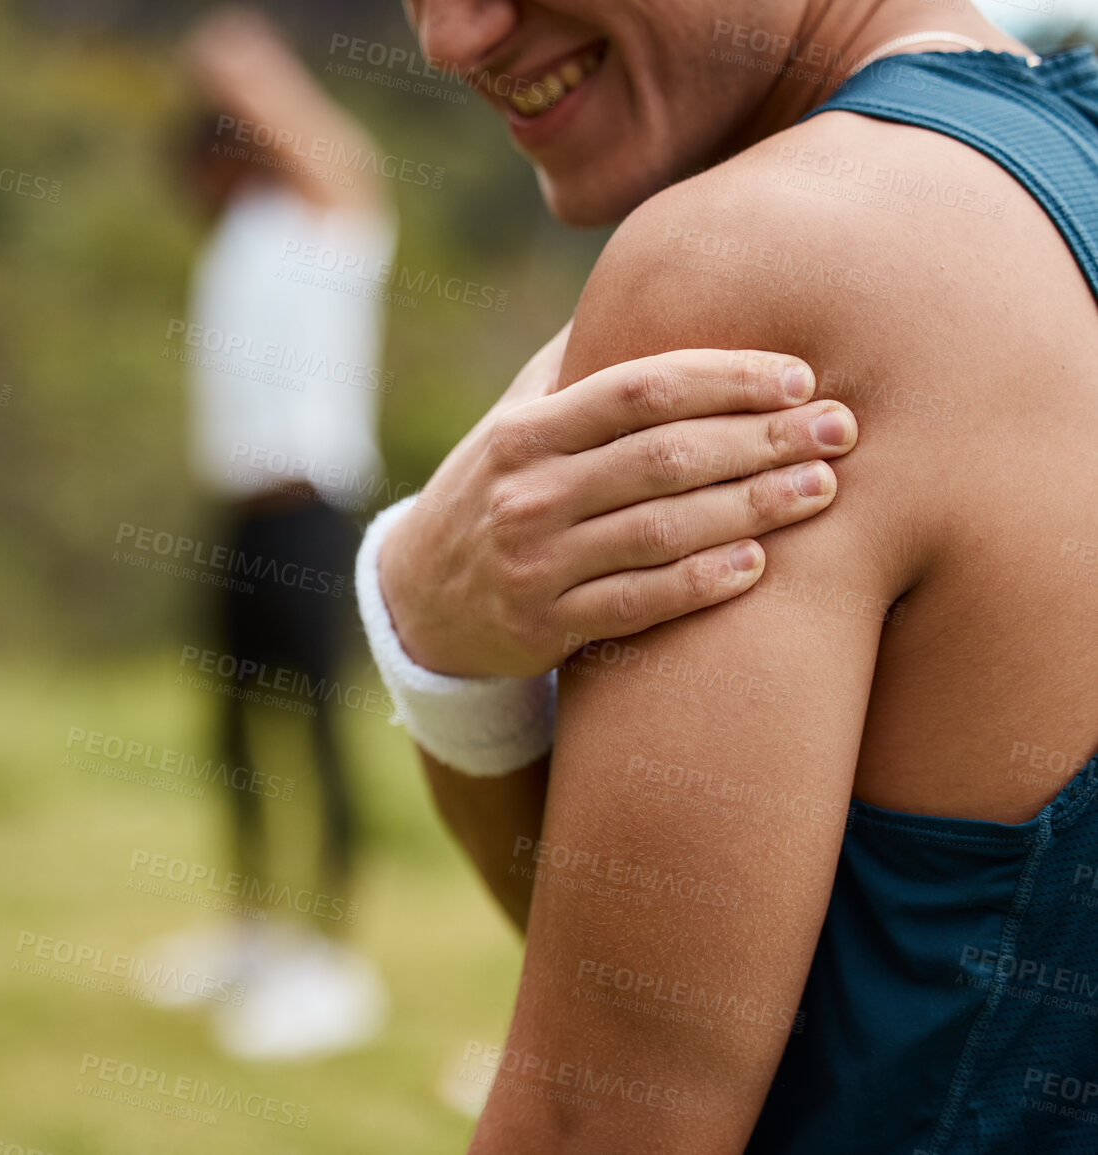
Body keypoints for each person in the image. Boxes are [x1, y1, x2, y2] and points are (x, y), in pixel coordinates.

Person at [356, 0, 1098, 1150]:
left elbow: (599, 1117)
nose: (450, 38)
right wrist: (448, 649)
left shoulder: (779, 260)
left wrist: (426, 632)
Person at [151, 7, 400, 1062]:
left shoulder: (326, 232)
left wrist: (247, 70)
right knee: (233, 732)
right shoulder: (236, 246)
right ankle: (253, 933)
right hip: (234, 514)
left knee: (319, 730)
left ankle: (330, 959)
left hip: (311, 513)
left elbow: (344, 159)